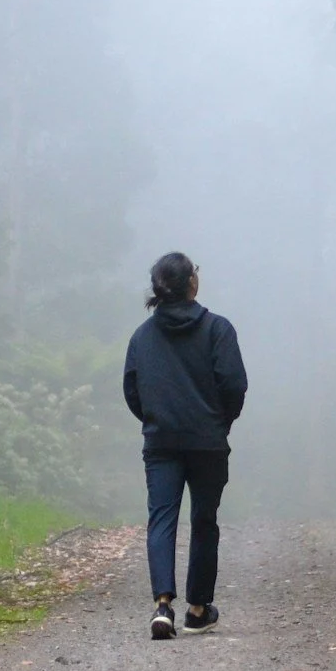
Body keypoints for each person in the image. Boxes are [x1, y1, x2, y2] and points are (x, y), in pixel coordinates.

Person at [122, 251, 248, 640]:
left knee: (162, 519)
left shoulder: (142, 337)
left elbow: (132, 389)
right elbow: (235, 386)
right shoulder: (218, 330)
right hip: (208, 442)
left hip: (161, 443)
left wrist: (156, 421)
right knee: (204, 520)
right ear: (192, 283)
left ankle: (163, 606)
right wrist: (219, 423)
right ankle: (197, 608)